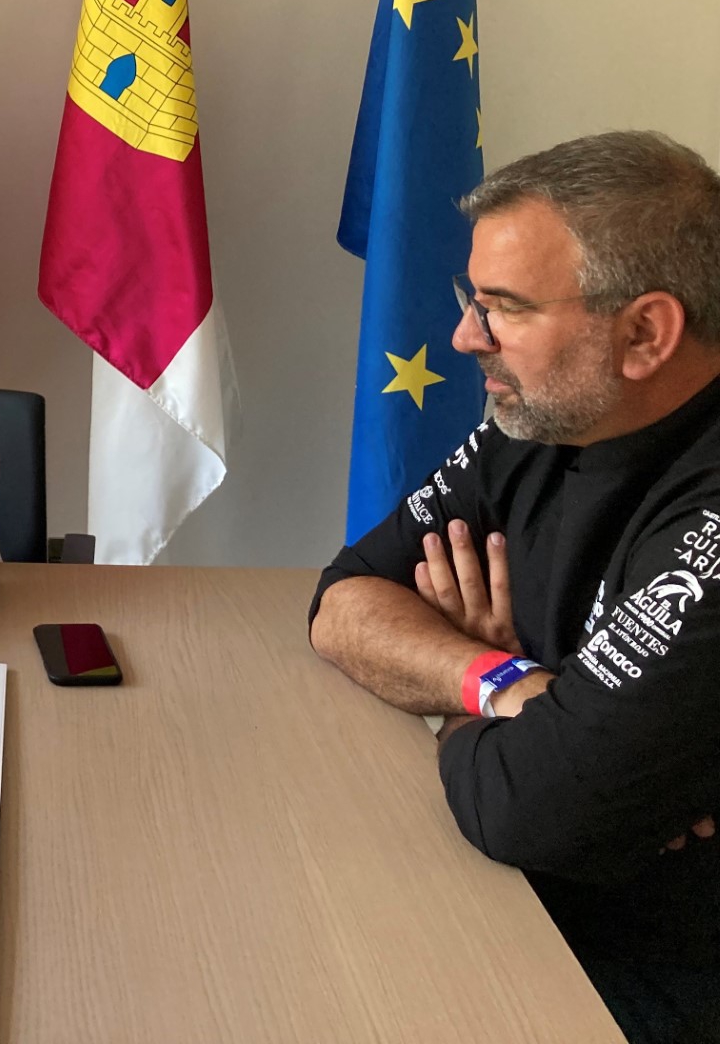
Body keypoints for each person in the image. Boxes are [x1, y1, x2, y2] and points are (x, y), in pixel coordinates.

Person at [308, 131, 720, 1043]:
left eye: (503, 308)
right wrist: (504, 682)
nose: (466, 336)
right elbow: (342, 601)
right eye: (474, 299)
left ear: (646, 334)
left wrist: (460, 718)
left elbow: (534, 808)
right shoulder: (535, 423)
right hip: (513, 893)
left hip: (654, 969)